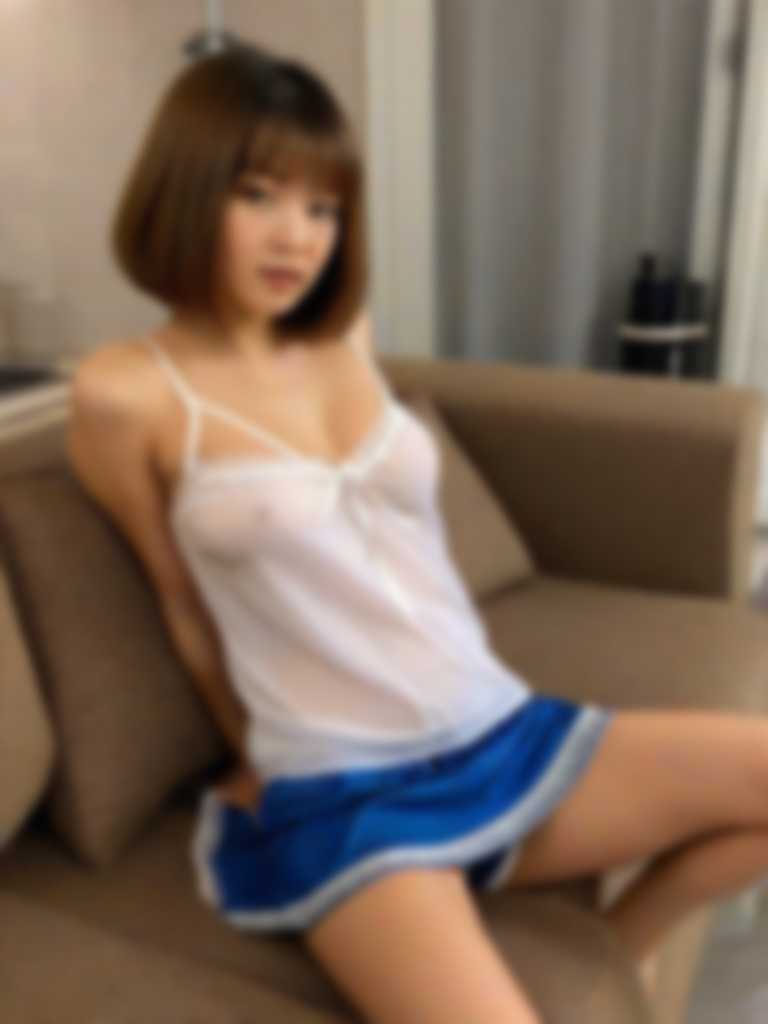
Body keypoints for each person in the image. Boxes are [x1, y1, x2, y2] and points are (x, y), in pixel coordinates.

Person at [66, 41, 768, 1024]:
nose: (296, 237)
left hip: (497, 728)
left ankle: (621, 946)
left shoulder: (342, 335)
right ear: (186, 190)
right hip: (345, 788)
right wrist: (248, 750)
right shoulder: (125, 392)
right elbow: (181, 601)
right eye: (259, 195)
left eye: (323, 208)